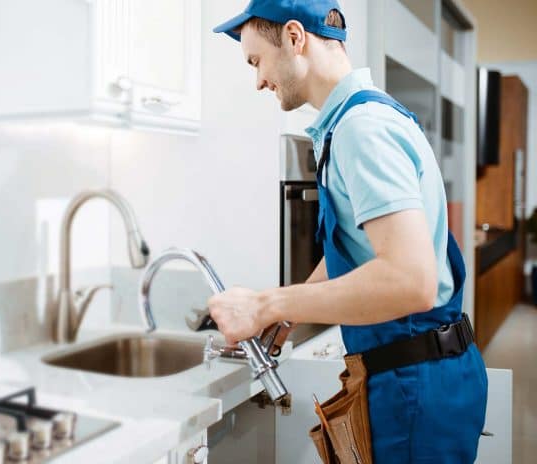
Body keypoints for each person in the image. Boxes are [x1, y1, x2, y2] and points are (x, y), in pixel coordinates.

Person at [208, 1, 488, 462]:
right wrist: (289, 312)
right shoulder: (359, 119)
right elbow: (359, 250)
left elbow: (409, 280)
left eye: (256, 61)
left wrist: (266, 303)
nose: (258, 80)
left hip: (413, 385)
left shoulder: (362, 129)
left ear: (295, 38)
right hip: (422, 374)